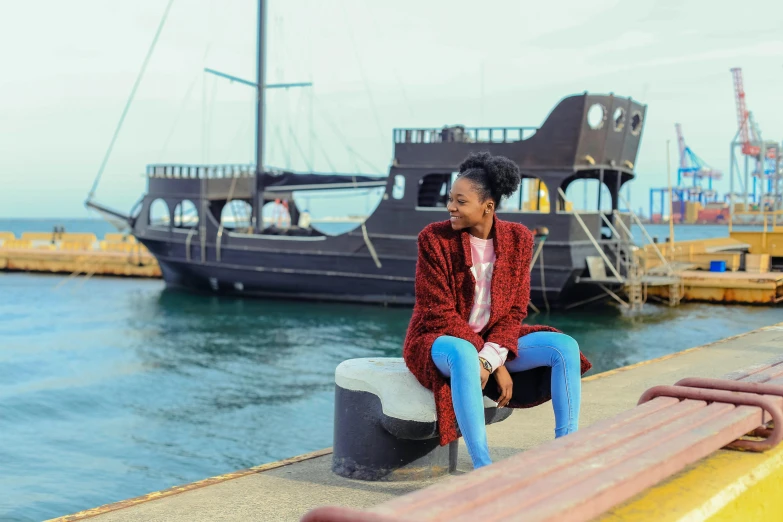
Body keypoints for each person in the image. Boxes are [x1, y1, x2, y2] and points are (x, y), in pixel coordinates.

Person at [403, 151, 592, 470]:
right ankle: (483, 467)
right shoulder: (434, 239)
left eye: (460, 201)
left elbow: (515, 309)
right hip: (438, 340)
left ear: (487, 207)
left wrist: (492, 358)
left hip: (493, 341)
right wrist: (495, 363)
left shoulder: (518, 239)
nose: (451, 206)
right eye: (451, 199)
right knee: (464, 353)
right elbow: (439, 314)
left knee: (564, 348)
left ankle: (566, 452)